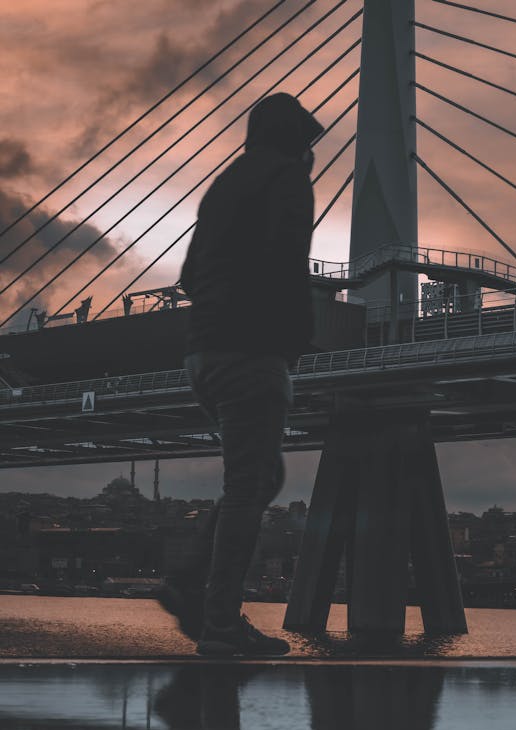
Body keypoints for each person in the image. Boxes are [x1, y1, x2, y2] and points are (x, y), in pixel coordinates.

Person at [157, 93, 323, 657]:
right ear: (294, 142)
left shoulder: (223, 187)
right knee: (250, 485)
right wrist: (295, 340)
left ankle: (196, 590)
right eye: (307, 145)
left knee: (255, 481)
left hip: (203, 356)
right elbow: (288, 261)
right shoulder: (286, 180)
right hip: (253, 354)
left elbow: (186, 275)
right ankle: (218, 619)